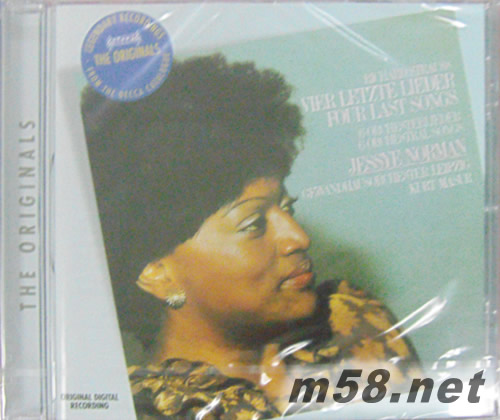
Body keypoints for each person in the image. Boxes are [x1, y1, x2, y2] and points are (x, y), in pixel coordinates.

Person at [81, 54, 420, 419]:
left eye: (287, 209)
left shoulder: (353, 327)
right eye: (254, 223)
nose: (298, 237)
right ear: (157, 275)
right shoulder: (141, 411)